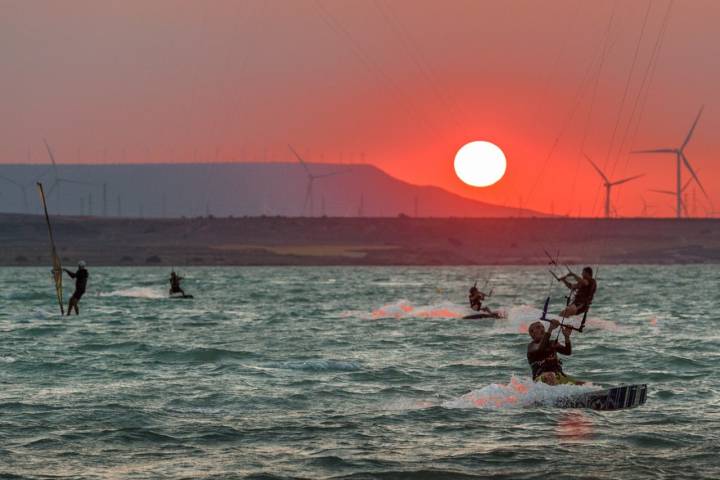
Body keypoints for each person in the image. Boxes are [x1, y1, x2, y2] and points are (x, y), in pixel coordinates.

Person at [527, 319, 583, 385]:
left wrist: (566, 337)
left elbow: (567, 352)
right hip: (541, 378)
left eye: (543, 327)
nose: (542, 329)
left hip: (558, 376)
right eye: (538, 327)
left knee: (582, 384)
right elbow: (540, 349)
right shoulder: (532, 346)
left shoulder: (552, 343)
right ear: (532, 333)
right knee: (550, 375)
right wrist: (550, 329)